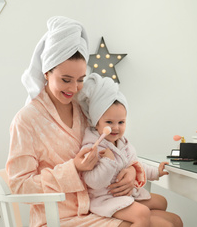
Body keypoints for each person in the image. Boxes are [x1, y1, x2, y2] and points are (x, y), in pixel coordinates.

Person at [6, 16, 140, 227]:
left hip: (96, 207)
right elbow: (20, 186)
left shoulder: (84, 109)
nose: (73, 89)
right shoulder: (27, 120)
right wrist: (73, 168)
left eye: (80, 80)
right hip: (56, 219)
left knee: (170, 221)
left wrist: (131, 170)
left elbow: (115, 145)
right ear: (47, 72)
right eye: (65, 80)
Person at [78, 73, 183, 227]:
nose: (116, 127)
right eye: (109, 122)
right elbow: (93, 182)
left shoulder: (122, 144)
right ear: (96, 122)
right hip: (105, 199)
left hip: (126, 194)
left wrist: (156, 172)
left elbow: (135, 164)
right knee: (142, 213)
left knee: (161, 201)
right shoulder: (93, 147)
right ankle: (137, 217)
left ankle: (136, 213)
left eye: (121, 122)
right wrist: (108, 161)